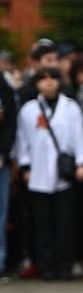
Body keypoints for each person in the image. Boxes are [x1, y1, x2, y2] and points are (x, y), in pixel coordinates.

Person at [13, 67, 83, 279]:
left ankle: (64, 266)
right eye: (43, 79)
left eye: (52, 79)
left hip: (64, 174)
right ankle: (46, 266)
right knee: (42, 224)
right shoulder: (29, 110)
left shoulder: (71, 107)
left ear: (59, 82)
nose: (48, 83)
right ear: (37, 83)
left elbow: (79, 137)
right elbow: (23, 142)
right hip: (38, 174)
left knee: (65, 223)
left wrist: (82, 162)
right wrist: (25, 166)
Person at [0, 69, 15, 280]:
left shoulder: (3, 86)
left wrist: (3, 152)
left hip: (1, 161)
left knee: (0, 214)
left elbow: (11, 122)